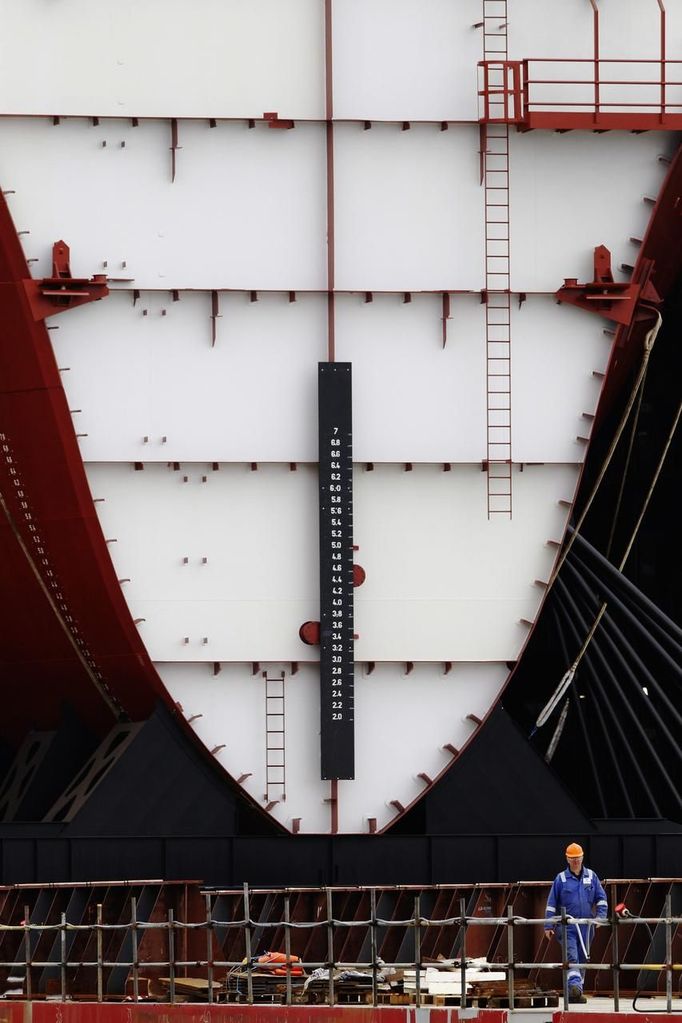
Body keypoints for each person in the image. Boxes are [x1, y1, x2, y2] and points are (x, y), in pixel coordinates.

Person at [544, 842, 608, 1003]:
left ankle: (575, 992)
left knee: (583, 957)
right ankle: (574, 988)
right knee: (572, 956)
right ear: (567, 859)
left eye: (578, 858)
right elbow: (552, 903)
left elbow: (601, 899)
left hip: (587, 926)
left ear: (582, 857)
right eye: (573, 859)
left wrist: (600, 917)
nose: (576, 861)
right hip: (567, 926)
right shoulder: (561, 879)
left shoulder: (591, 876)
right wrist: (548, 925)